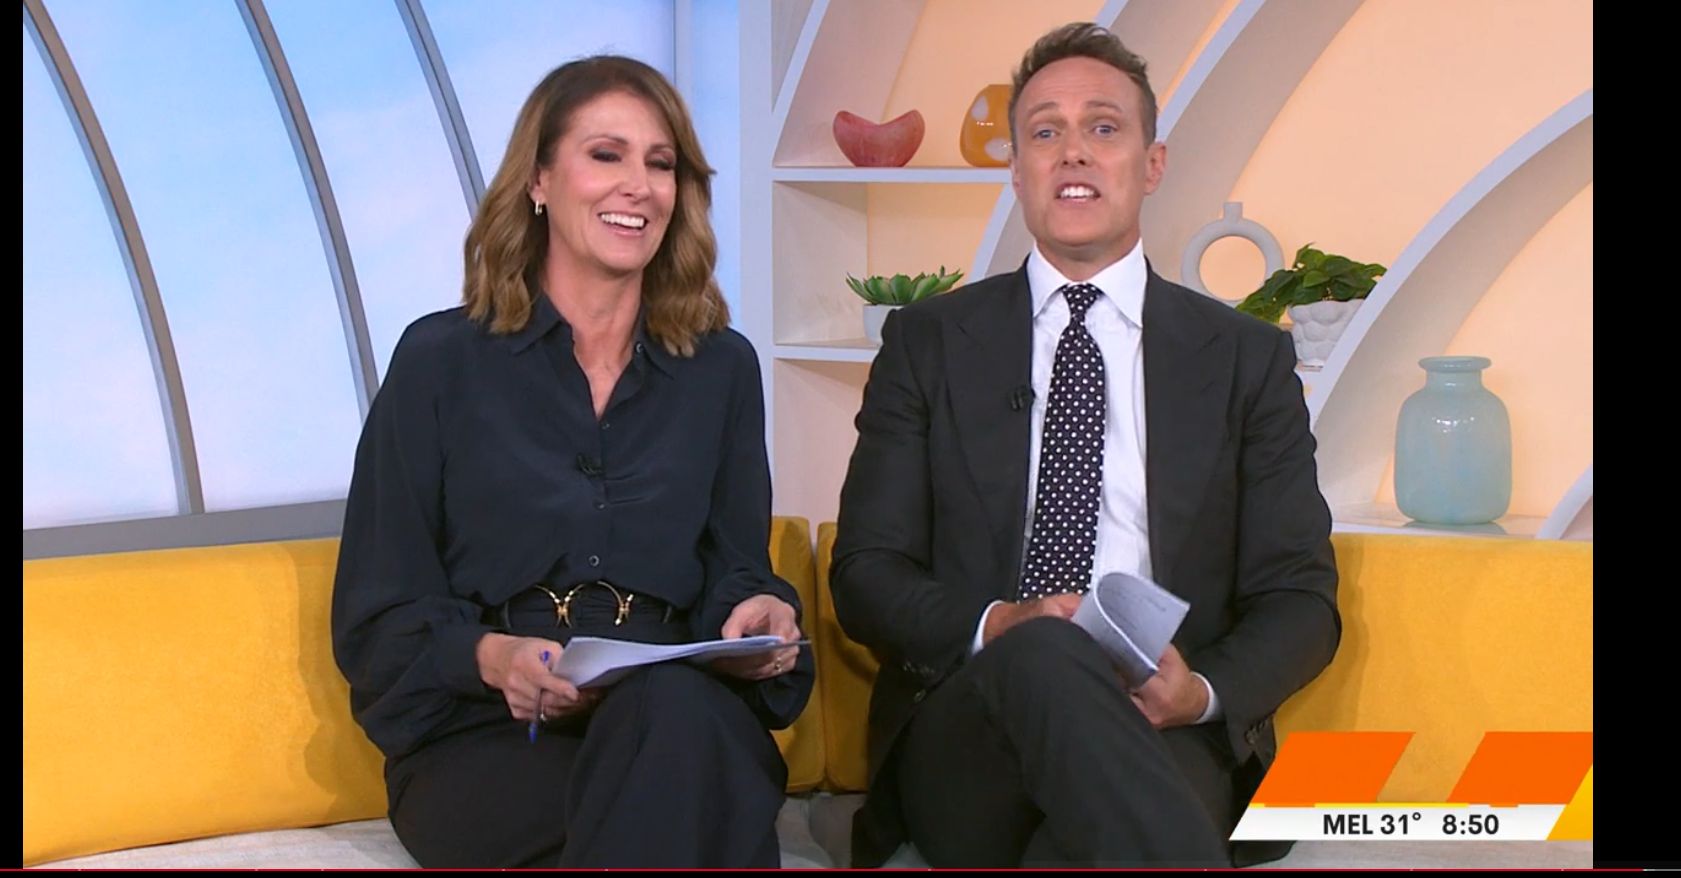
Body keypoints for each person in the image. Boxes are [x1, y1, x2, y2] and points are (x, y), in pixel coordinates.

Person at [829, 22, 1341, 868]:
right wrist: (1002, 624)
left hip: (1161, 719)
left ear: (1151, 163)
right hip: (971, 725)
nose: (1072, 152)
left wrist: (1198, 692)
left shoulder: (1246, 359)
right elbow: (864, 573)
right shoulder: (928, 343)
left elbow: (1300, 598)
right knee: (1045, 652)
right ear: (1018, 170)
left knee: (1090, 835)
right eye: (1044, 132)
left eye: (1103, 128)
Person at [331, 54, 812, 869]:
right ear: (539, 180)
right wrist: (493, 657)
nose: (638, 186)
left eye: (660, 164)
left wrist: (760, 610)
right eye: (605, 155)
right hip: (489, 736)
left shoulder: (720, 368)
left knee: (675, 721)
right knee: (693, 793)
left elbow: (734, 567)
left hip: (674, 712)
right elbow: (378, 613)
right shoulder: (440, 361)